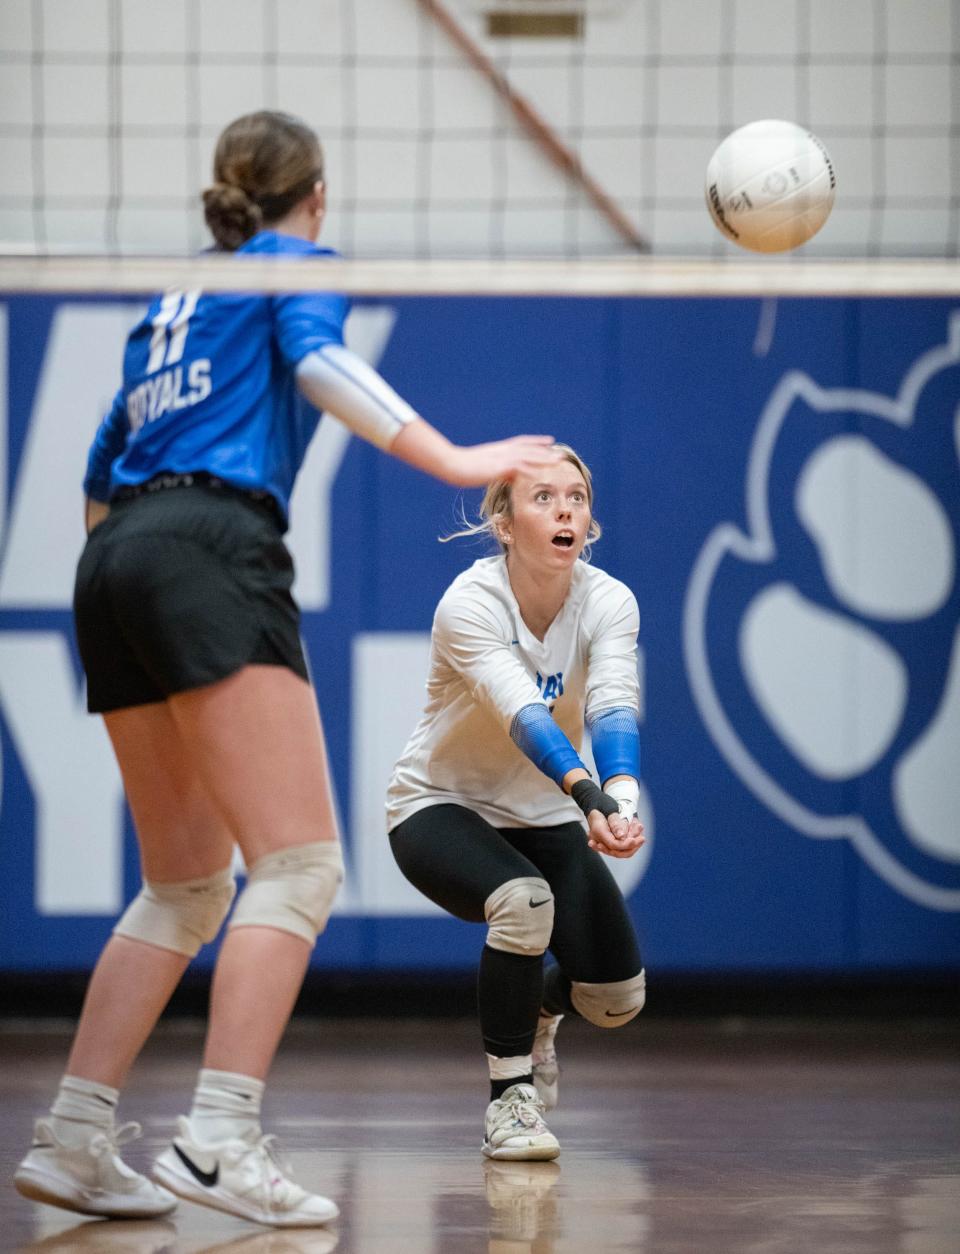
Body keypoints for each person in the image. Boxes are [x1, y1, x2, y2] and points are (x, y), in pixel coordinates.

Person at [14, 110, 558, 1228]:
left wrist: (141, 576)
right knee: (301, 866)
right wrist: (461, 459)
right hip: (210, 547)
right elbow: (316, 359)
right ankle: (217, 1142)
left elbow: (99, 471)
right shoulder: (295, 262)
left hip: (112, 560)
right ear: (315, 198)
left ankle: (73, 1138)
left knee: (185, 882)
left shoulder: (169, 304)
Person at [387, 445, 646, 1161]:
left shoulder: (608, 600)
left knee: (615, 999)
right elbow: (523, 712)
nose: (565, 509)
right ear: (503, 524)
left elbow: (613, 701)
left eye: (577, 496)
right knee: (523, 902)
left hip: (543, 814)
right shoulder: (470, 603)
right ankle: (510, 1101)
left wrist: (618, 798)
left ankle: (536, 1008)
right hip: (439, 804)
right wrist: (587, 792)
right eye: (542, 497)